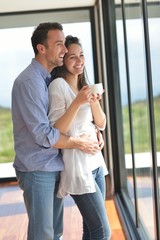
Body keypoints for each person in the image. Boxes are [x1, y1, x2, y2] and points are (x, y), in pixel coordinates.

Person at [11, 22, 102, 240]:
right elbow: (44, 135)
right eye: (59, 44)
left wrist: (94, 133)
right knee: (43, 234)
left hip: (54, 164)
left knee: (55, 233)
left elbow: (68, 121)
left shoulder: (49, 78)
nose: (64, 50)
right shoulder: (29, 82)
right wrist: (80, 143)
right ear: (42, 48)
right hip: (37, 168)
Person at [48, 35, 111, 240]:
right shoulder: (58, 86)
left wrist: (92, 101)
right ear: (64, 61)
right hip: (78, 166)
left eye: (81, 55)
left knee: (91, 229)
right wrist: (77, 102)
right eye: (72, 57)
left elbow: (101, 123)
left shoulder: (84, 85)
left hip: (96, 164)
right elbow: (57, 129)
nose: (79, 61)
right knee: (103, 231)